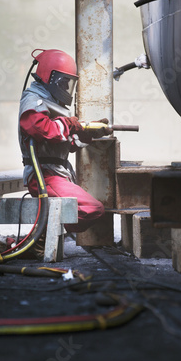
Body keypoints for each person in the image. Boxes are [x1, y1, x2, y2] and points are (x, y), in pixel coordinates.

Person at [18, 48, 112, 255]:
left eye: (68, 82)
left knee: (89, 209)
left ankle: (39, 239)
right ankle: (36, 241)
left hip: (56, 174)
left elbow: (65, 145)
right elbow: (42, 129)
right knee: (90, 209)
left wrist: (88, 134)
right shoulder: (33, 100)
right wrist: (70, 124)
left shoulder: (51, 104)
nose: (65, 87)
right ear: (49, 77)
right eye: (62, 81)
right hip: (44, 176)